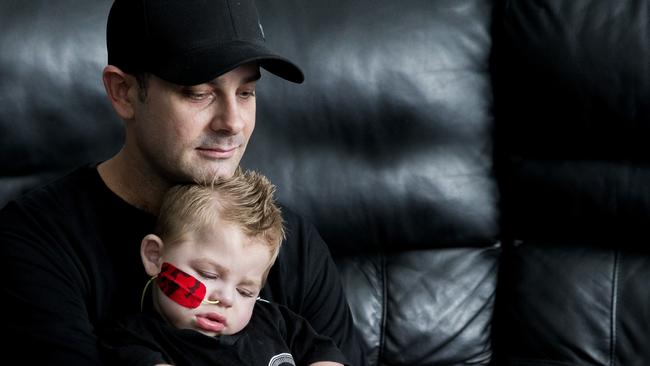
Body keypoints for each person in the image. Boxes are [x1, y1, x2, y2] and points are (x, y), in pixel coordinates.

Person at [0, 0, 364, 365]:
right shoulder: (37, 242)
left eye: (246, 92)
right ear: (123, 93)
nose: (233, 123)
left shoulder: (291, 243)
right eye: (199, 93)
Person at [101, 170, 349, 366]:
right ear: (155, 256)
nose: (227, 298)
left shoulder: (277, 322)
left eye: (246, 292)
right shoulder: (134, 340)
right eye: (209, 275)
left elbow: (326, 353)